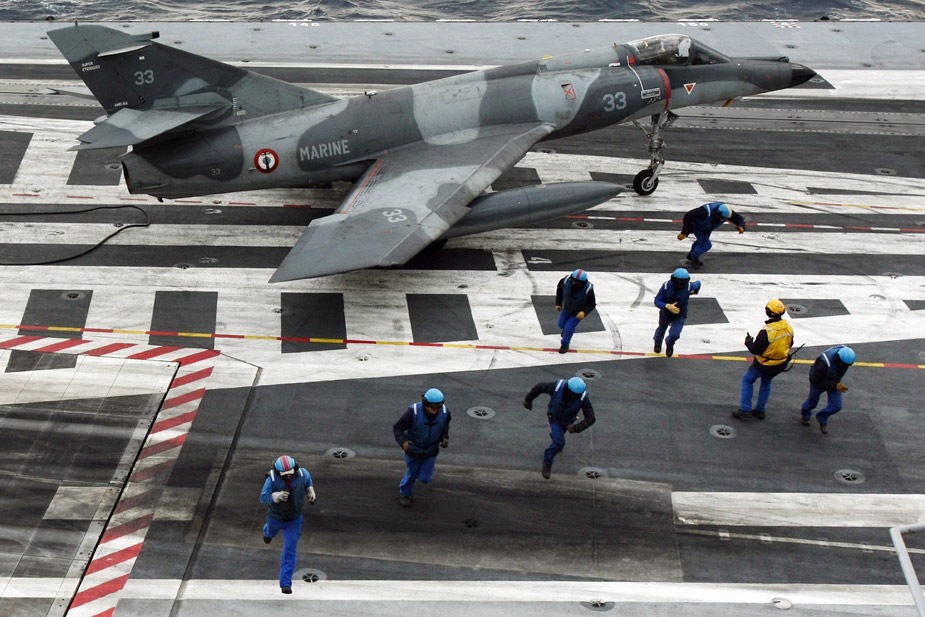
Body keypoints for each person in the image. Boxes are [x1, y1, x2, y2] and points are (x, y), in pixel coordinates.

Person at [260, 455, 316, 594]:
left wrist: (310, 491)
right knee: (271, 532)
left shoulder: (303, 474)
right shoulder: (272, 479)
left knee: (290, 551)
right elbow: (263, 497)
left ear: (294, 468)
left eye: (290, 473)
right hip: (275, 518)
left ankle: (286, 583)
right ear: (278, 472)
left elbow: (308, 481)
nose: (288, 477)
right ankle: (267, 532)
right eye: (284, 475)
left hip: (294, 521)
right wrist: (276, 496)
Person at [523, 376, 595, 479]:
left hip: (568, 422)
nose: (573, 397)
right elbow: (540, 387)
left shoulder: (583, 398)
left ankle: (556, 437)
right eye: (571, 394)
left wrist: (576, 427)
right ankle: (547, 462)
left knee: (559, 439)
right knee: (559, 442)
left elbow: (591, 418)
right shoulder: (557, 387)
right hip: (554, 418)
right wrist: (528, 400)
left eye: (576, 396)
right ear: (567, 388)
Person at [734, 299, 795, 420]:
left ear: (768, 312)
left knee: (748, 379)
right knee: (766, 382)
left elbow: (756, 350)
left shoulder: (767, 331)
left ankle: (745, 409)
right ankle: (760, 410)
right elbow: (790, 343)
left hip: (764, 363)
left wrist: (748, 342)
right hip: (780, 363)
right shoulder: (788, 327)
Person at [392, 388, 451, 507]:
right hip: (413, 450)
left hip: (431, 451)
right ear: (425, 403)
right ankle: (405, 493)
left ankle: (419, 474)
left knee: (425, 478)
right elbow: (397, 428)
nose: (435, 411)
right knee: (412, 473)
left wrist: (444, 437)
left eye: (438, 408)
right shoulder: (413, 412)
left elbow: (445, 427)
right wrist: (404, 442)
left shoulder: (445, 413)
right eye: (433, 408)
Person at [801, 345, 855, 434]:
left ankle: (822, 417)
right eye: (844, 365)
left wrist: (836, 385)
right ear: (838, 361)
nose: (845, 368)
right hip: (818, 382)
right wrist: (835, 386)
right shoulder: (822, 363)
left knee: (837, 406)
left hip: (834, 382)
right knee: (812, 402)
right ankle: (805, 415)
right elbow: (816, 380)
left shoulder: (843, 354)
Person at [677, 201, 746, 267]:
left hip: (707, 228)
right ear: (718, 214)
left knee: (700, 242)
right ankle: (694, 257)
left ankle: (691, 257)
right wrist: (685, 232)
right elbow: (688, 216)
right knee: (706, 245)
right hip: (698, 227)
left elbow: (738, 218)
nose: (722, 220)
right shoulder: (704, 212)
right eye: (722, 218)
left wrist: (741, 226)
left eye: (725, 219)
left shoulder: (727, 212)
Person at [653, 267, 701, 357]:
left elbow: (698, 283)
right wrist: (667, 306)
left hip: (680, 314)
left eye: (683, 283)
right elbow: (657, 300)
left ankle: (669, 344)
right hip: (666, 313)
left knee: (675, 334)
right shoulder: (666, 286)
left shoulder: (689, 286)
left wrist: (695, 291)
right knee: (661, 329)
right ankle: (657, 342)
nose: (681, 286)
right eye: (679, 283)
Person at [556, 269, 596, 353]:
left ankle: (565, 345)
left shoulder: (588, 289)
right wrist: (558, 303)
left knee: (568, 328)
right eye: (574, 281)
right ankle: (567, 331)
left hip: (577, 313)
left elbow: (592, 304)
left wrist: (584, 312)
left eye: (578, 283)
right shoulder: (565, 281)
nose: (575, 284)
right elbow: (560, 289)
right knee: (561, 324)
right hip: (567, 309)